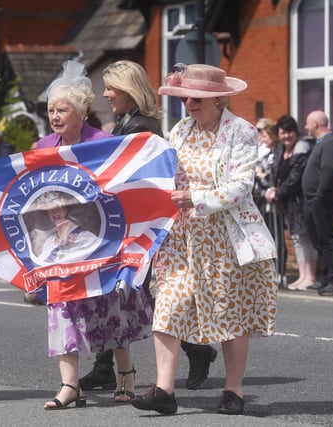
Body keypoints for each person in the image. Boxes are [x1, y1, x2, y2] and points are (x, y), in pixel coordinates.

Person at [131, 63, 277, 416]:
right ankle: (164, 390)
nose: (189, 105)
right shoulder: (180, 130)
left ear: (217, 99)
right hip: (181, 237)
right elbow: (164, 174)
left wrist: (196, 198)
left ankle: (233, 389)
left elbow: (241, 187)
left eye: (196, 99)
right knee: (167, 306)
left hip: (225, 237)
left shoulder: (241, 131)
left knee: (228, 313)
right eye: (184, 98)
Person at [78, 59, 217, 394]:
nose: (106, 93)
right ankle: (104, 366)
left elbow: (140, 180)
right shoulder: (126, 122)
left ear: (128, 90)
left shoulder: (142, 127)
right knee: (117, 293)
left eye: (111, 87)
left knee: (142, 296)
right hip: (124, 224)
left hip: (140, 227)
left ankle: (196, 350)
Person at [36, 60, 153, 408]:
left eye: (62, 110)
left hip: (100, 240)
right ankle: (69, 386)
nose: (55, 116)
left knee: (111, 306)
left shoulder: (103, 143)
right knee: (61, 307)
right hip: (59, 245)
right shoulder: (41, 147)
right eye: (51, 110)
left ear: (82, 111)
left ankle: (125, 373)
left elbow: (123, 191)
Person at [265, 115, 317, 291]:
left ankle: (310, 276)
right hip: (288, 202)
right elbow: (275, 170)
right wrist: (272, 187)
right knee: (296, 238)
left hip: (300, 200)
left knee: (304, 238)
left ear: (295, 132)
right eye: (283, 132)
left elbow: (295, 178)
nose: (286, 136)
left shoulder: (302, 148)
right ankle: (303, 276)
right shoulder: (281, 149)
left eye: (290, 132)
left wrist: (277, 193)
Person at [302, 111, 333, 296]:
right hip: (315, 201)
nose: (306, 127)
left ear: (317, 123)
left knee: (328, 241)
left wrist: (319, 197)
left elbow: (328, 173)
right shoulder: (321, 144)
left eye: (307, 123)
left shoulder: (330, 143)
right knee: (320, 242)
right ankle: (327, 278)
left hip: (324, 202)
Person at [253, 118, 287, 287]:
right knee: (265, 237)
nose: (260, 136)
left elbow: (273, 176)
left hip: (275, 201)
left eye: (262, 132)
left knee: (278, 237)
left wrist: (263, 178)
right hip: (262, 198)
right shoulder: (262, 151)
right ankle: (269, 272)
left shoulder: (278, 152)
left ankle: (280, 272)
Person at [28, 191, 99, 264]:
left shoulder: (85, 234)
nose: (54, 211)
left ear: (66, 209)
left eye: (58, 206)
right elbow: (40, 261)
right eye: (49, 209)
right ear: (46, 215)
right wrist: (59, 238)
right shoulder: (49, 242)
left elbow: (77, 257)